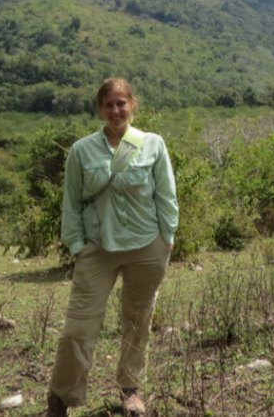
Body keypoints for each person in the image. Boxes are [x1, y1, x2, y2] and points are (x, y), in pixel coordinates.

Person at [47, 77, 178, 417]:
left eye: (122, 103)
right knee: (79, 326)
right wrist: (77, 246)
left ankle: (131, 390)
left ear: (132, 104)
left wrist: (168, 239)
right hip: (98, 248)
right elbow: (71, 204)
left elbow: (166, 195)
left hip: (147, 246)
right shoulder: (82, 150)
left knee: (138, 319)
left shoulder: (152, 144)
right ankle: (61, 396)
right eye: (109, 104)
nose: (116, 110)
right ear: (100, 109)